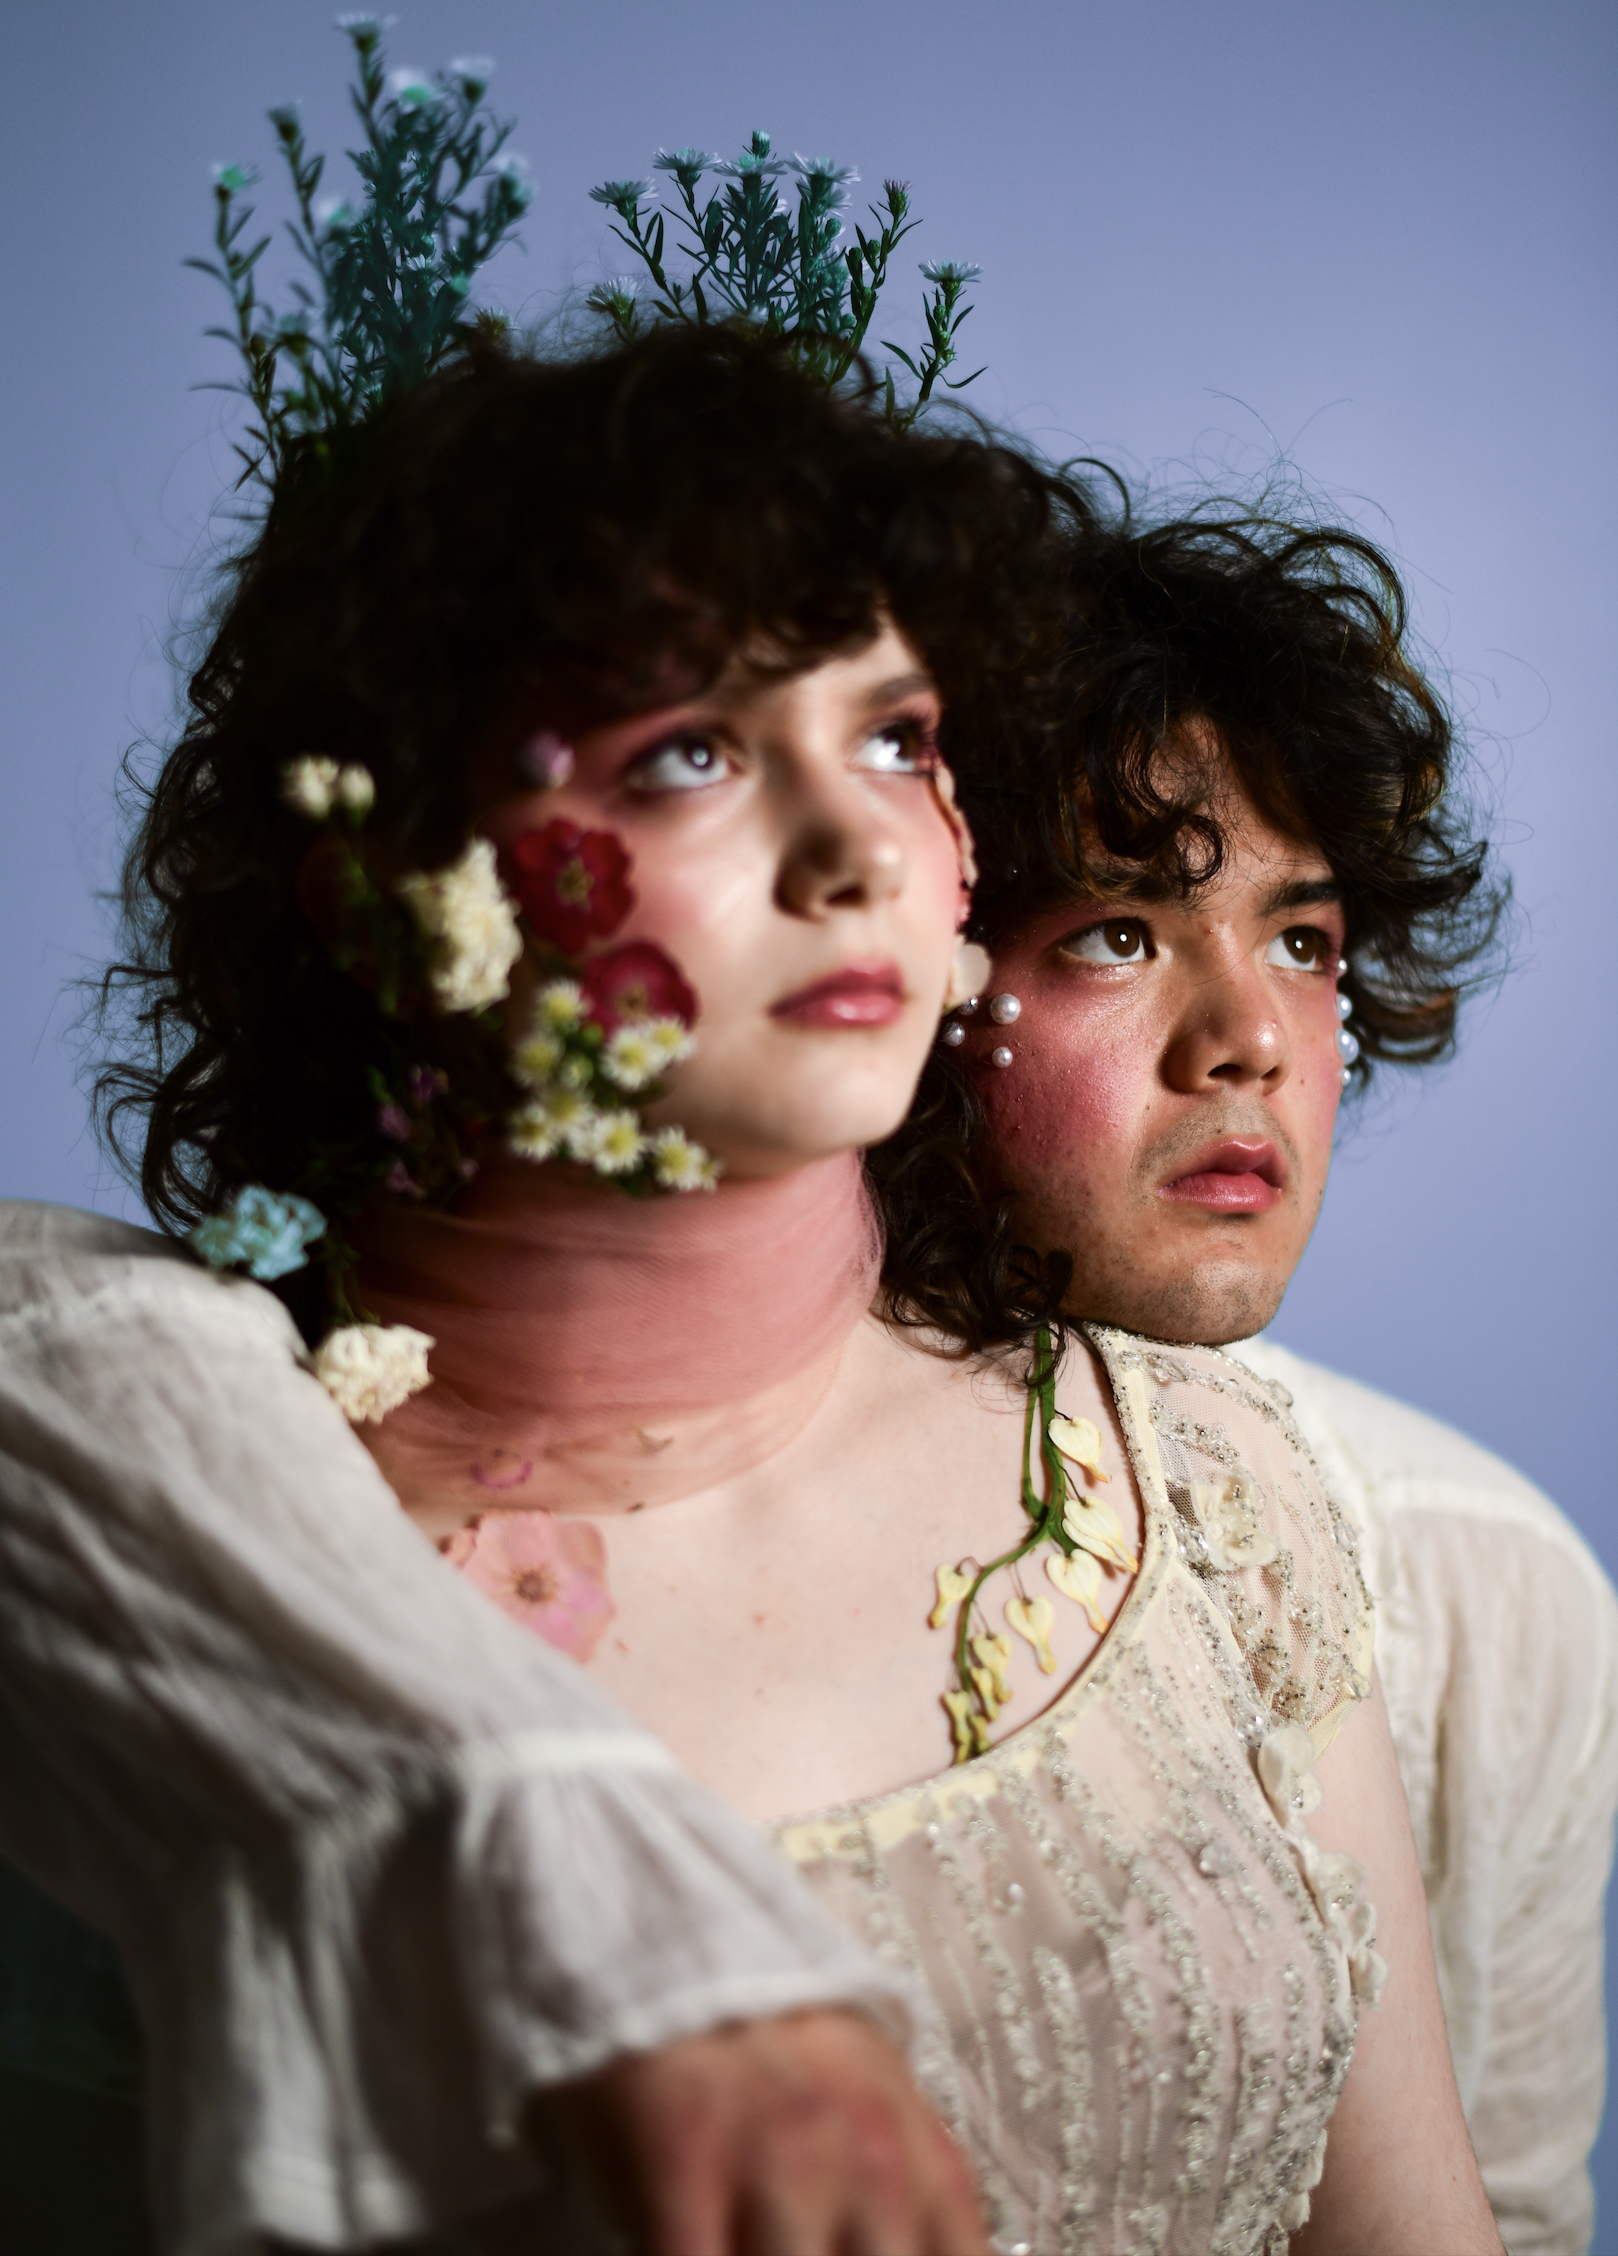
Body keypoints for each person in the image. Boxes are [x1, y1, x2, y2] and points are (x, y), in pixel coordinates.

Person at [0, 327, 1499, 2256]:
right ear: (374, 885)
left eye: (896, 739)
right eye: (690, 752)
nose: (852, 846)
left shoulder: (1200, 1482)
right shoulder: (165, 1508)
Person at [873, 510, 1618, 2254]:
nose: (1248, 1039)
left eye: (1301, 940)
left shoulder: (1484, 1587)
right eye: (1121, 933)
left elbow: (1496, 2215)